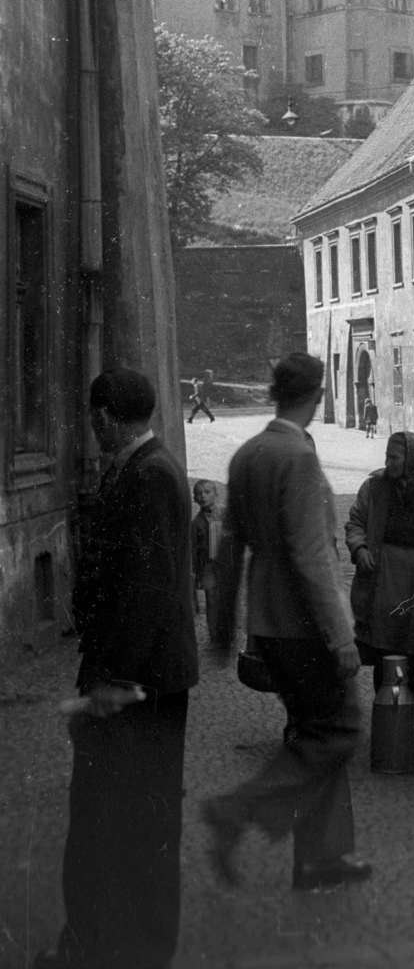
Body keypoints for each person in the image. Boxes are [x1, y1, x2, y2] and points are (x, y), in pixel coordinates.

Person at [36, 369, 198, 969]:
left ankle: (127, 950)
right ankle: (100, 945)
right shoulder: (143, 467)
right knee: (113, 824)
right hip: (136, 680)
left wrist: (113, 684)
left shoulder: (150, 475)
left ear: (105, 416)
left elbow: (150, 591)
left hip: (139, 687)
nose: (91, 427)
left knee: (133, 826)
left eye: (92, 417)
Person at [203, 352, 370, 893]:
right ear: (317, 397)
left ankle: (319, 858)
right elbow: (312, 556)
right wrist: (341, 635)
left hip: (268, 625)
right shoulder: (296, 456)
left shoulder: (249, 453)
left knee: (313, 734)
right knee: (339, 731)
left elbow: (229, 549)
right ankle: (236, 809)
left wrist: (225, 630)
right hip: (304, 628)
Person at [345, 431, 414, 742]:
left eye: (395, 457)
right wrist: (360, 549)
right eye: (387, 456)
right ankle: (388, 717)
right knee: (384, 651)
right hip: (383, 579)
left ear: (413, 459)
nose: (388, 462)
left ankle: (411, 717)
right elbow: (355, 521)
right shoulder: (375, 487)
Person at [191, 478, 224, 642]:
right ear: (194, 498)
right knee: (211, 600)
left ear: (216, 495)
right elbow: (194, 551)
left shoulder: (225, 513)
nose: (203, 496)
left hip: (226, 564)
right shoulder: (196, 523)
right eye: (199, 493)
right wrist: (197, 574)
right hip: (208, 567)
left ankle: (226, 631)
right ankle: (214, 635)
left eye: (207, 492)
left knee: (225, 598)